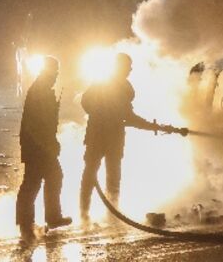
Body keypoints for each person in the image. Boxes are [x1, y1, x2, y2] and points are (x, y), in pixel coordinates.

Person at [78, 52, 183, 219]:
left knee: (104, 174)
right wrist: (104, 116)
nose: (130, 69)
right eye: (128, 66)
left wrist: (157, 127)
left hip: (107, 136)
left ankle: (106, 213)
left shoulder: (115, 86)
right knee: (95, 174)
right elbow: (89, 103)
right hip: (103, 136)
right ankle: (87, 214)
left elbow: (127, 115)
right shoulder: (111, 85)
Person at [16, 55, 71, 241]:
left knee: (51, 177)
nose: (55, 76)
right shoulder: (40, 91)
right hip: (37, 147)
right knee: (33, 183)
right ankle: (27, 224)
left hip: (40, 145)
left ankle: (48, 218)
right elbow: (34, 125)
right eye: (54, 72)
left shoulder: (43, 89)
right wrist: (48, 144)